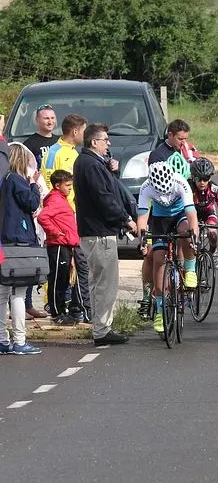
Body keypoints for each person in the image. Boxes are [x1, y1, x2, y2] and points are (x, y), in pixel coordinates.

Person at [74, 124, 137, 346]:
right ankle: (102, 329)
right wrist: (126, 219)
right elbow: (104, 199)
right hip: (99, 233)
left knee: (97, 282)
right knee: (105, 283)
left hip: (92, 232)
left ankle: (99, 326)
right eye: (105, 140)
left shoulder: (91, 163)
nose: (108, 143)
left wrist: (112, 172)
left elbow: (106, 190)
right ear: (94, 142)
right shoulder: (90, 165)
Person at [136, 161, 199, 333]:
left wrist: (194, 236)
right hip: (159, 220)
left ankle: (190, 269)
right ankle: (160, 309)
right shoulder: (146, 187)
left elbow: (191, 214)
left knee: (186, 232)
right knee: (158, 259)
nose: (163, 196)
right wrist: (142, 238)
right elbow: (142, 217)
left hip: (180, 215)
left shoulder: (181, 183)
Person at [0, 143, 42, 354]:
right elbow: (32, 202)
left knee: (2, 291)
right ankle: (19, 340)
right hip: (20, 242)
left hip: (5, 239)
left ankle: (2, 338)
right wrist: (34, 184)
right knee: (18, 292)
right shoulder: (18, 181)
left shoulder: (4, 180)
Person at [38, 170, 88, 325]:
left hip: (66, 244)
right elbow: (42, 217)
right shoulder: (55, 200)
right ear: (57, 185)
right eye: (67, 185)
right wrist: (56, 232)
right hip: (58, 245)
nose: (70, 188)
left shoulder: (62, 199)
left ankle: (61, 310)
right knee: (57, 279)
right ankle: (56, 312)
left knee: (64, 279)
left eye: (70, 185)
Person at [40, 113, 85, 207]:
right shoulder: (53, 153)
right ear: (75, 132)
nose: (85, 135)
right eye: (83, 131)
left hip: (74, 209)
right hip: (61, 211)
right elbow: (48, 183)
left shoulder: (74, 152)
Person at [189, 157, 218, 268]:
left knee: (212, 233)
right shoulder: (188, 188)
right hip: (192, 213)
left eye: (206, 178)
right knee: (193, 236)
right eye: (199, 179)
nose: (202, 182)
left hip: (208, 212)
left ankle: (213, 253)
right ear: (193, 178)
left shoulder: (214, 188)